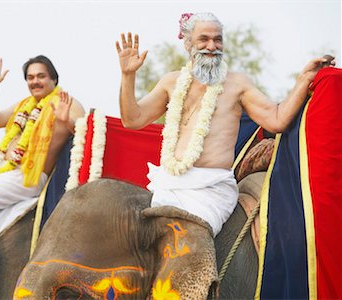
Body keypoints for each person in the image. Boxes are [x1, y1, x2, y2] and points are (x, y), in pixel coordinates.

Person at [116, 12, 335, 295]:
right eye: (204, 39)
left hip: (211, 189)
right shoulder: (171, 82)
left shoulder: (237, 84)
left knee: (185, 241)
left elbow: (277, 119)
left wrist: (304, 80)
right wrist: (127, 75)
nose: (211, 46)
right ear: (187, 43)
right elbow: (132, 119)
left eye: (217, 40)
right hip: (169, 183)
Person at [0, 55, 85, 241]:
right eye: (30, 77)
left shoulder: (66, 103)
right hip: (4, 171)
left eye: (41, 76)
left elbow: (83, 131)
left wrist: (65, 120)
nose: (35, 81)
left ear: (54, 79)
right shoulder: (24, 105)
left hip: (30, 177)